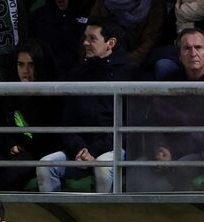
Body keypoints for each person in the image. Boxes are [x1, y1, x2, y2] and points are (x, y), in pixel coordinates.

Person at [36, 18, 135, 193]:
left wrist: (93, 150)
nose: (85, 42)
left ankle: (104, 218)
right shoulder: (77, 75)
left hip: (114, 148)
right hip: (80, 150)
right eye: (85, 37)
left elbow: (128, 127)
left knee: (103, 167)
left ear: (110, 43)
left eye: (92, 38)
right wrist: (80, 148)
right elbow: (67, 122)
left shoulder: (129, 75)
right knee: (45, 165)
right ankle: (59, 218)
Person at [130, 28, 204, 191]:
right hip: (169, 151)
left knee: (170, 178)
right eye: (187, 48)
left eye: (198, 48)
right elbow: (154, 121)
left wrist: (173, 152)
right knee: (138, 167)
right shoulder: (170, 82)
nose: (193, 53)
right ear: (179, 55)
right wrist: (159, 149)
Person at [0, 39, 62, 191]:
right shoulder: (8, 93)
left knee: (11, 173)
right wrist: (10, 145)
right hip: (10, 153)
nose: (25, 71)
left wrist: (23, 147)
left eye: (31, 65)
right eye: (20, 64)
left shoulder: (51, 97)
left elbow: (51, 141)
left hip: (37, 155)